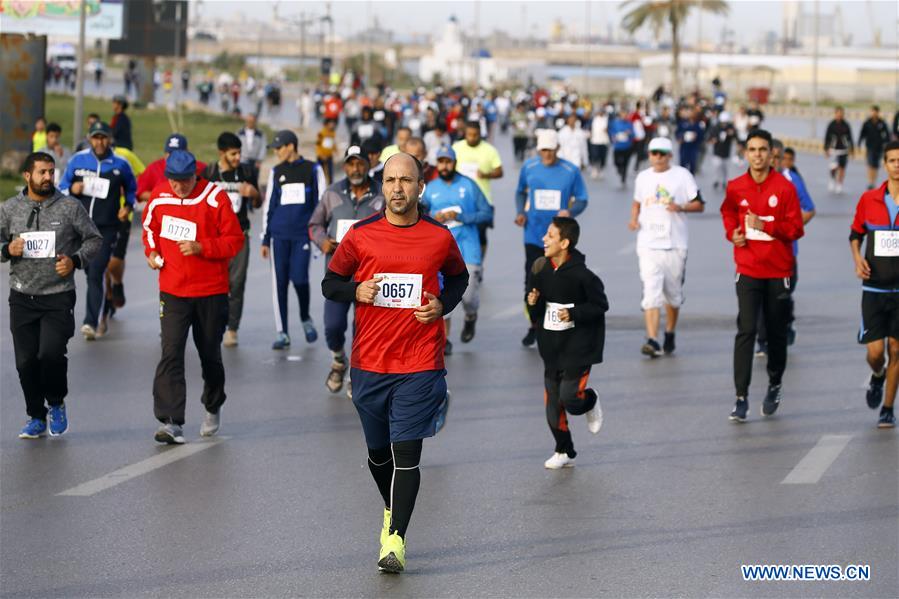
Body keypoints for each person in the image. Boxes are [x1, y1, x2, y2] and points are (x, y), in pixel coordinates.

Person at [321, 152, 469, 573]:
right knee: (377, 454)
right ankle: (390, 507)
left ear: (421, 187)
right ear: (381, 186)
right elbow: (330, 283)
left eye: (406, 180)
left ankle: (396, 539)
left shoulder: (439, 237)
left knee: (406, 452)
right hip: (370, 362)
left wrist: (443, 306)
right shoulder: (361, 236)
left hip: (420, 361)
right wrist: (357, 292)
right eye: (390, 181)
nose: (398, 188)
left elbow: (458, 277)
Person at [142, 150, 244, 444]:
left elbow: (234, 240)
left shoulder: (214, 197)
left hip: (210, 291)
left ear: (195, 176)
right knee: (170, 352)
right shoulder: (160, 196)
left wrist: (202, 247)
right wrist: (152, 252)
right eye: (174, 181)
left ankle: (213, 403)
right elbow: (150, 229)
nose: (179, 187)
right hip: (173, 290)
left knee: (209, 354)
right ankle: (171, 421)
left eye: (185, 181)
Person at [1, 152, 102, 439]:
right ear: (27, 176)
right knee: (25, 362)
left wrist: (75, 261)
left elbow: (94, 239)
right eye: (42, 172)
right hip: (22, 296)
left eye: (51, 172)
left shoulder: (69, 207)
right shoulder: (9, 209)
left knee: (51, 354)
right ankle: (35, 415)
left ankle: (56, 402)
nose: (48, 177)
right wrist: (7, 250)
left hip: (58, 296)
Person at [720, 129, 804, 422]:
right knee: (746, 329)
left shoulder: (784, 188)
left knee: (776, 331)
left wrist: (766, 227)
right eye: (752, 149)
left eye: (762, 149)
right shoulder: (736, 186)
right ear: (746, 153)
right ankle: (740, 397)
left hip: (778, 270)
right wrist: (733, 232)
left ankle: (775, 383)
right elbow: (728, 213)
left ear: (771, 155)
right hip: (748, 269)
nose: (757, 154)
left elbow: (796, 229)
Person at [526, 217, 607, 469]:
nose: (544, 239)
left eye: (550, 235)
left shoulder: (584, 276)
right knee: (552, 404)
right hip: (551, 348)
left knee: (570, 398)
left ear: (564, 242)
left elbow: (600, 305)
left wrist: (573, 313)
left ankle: (590, 400)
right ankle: (564, 450)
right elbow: (536, 311)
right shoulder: (540, 268)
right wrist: (533, 302)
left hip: (578, 348)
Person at [309, 145, 384, 395]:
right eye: (351, 164)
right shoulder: (332, 193)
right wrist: (323, 241)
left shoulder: (381, 193)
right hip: (339, 272)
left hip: (369, 272)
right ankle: (339, 359)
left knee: (362, 328)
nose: (356, 169)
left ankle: (357, 374)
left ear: (368, 164)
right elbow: (314, 224)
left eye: (360, 163)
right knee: (333, 325)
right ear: (345, 166)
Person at [58, 122, 136, 340]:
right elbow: (61, 187)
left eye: (103, 138)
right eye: (95, 138)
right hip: (76, 228)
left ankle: (91, 322)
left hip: (105, 228)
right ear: (89, 138)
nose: (99, 142)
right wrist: (71, 189)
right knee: (70, 270)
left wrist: (128, 207)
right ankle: (60, 317)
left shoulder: (121, 163)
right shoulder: (78, 160)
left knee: (96, 273)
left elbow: (131, 188)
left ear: (110, 138)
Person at [628, 137, 704, 357]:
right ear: (649, 155)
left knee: (673, 295)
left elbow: (699, 204)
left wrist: (680, 206)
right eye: (654, 153)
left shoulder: (682, 176)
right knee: (651, 290)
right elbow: (636, 203)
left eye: (662, 153)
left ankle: (669, 331)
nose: (658, 157)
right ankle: (652, 339)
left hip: (675, 244)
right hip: (648, 243)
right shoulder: (642, 177)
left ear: (670, 155)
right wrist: (633, 220)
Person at [516, 129, 589, 347]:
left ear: (557, 148)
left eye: (550, 150)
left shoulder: (570, 170)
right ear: (538, 149)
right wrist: (520, 212)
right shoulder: (529, 167)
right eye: (543, 150)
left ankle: (560, 322)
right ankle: (533, 325)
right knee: (532, 279)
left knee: (560, 280)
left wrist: (571, 212)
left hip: (560, 238)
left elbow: (583, 199)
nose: (547, 154)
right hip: (533, 233)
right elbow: (520, 192)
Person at [422, 146, 494, 354]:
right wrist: (433, 219)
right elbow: (419, 215)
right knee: (442, 295)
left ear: (455, 162)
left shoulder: (469, 185)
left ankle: (471, 316)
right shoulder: (431, 188)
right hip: (440, 252)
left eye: (448, 162)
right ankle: (444, 340)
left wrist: (461, 217)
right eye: (441, 162)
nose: (445, 166)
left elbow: (486, 213)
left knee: (469, 295)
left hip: (467, 249)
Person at [850, 140, 899, 428]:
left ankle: (888, 407)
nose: (898, 165)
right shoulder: (869, 199)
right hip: (874, 288)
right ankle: (877, 376)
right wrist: (858, 259)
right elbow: (855, 234)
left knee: (896, 349)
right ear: (885, 164)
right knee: (876, 353)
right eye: (893, 160)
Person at [261, 130, 324, 349]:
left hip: (301, 236)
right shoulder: (276, 171)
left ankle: (305, 318)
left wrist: (319, 237)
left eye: (278, 147)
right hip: (279, 236)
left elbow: (321, 204)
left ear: (291, 146)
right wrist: (265, 238)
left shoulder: (313, 169)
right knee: (279, 284)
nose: (276, 152)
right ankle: (283, 332)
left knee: (299, 279)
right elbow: (270, 204)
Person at [755, 143, 816, 357]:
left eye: (777, 157)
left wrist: (791, 229)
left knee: (782, 296)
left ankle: (786, 322)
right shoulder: (753, 179)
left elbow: (809, 209)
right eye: (769, 156)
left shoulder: (791, 180)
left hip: (787, 252)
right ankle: (763, 341)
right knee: (762, 296)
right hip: (760, 252)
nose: (773, 161)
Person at [203, 132, 261, 347]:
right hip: (214, 238)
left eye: (239, 153)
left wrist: (254, 193)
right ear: (221, 153)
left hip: (239, 236)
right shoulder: (209, 173)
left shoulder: (246, 171)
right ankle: (214, 323)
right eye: (233, 154)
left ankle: (232, 328)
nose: (237, 157)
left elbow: (257, 204)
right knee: (215, 284)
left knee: (236, 284)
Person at [452, 120, 503, 257]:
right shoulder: (456, 148)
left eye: (475, 135)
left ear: (480, 134)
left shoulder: (489, 150)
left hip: (482, 200)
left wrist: (486, 174)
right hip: (460, 199)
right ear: (465, 134)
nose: (472, 138)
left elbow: (499, 171)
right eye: (469, 134)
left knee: (481, 235)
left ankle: (479, 264)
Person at [136, 134, 207, 204]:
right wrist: (165, 198)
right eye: (170, 153)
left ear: (187, 152)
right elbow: (140, 192)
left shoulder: (200, 167)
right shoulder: (154, 167)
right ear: (165, 153)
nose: (174, 157)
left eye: (178, 153)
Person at [858, 105, 892, 190]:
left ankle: (873, 182)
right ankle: (870, 182)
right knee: (870, 164)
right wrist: (859, 144)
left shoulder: (882, 123)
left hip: (879, 147)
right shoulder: (867, 122)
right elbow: (862, 134)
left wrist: (887, 145)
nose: (874, 113)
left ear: (878, 112)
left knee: (875, 165)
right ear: (871, 112)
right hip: (869, 146)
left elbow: (887, 135)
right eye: (873, 111)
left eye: (876, 112)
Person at [824, 106, 854, 194]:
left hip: (844, 150)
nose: (840, 115)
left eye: (841, 113)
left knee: (842, 168)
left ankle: (839, 184)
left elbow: (850, 137)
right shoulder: (831, 124)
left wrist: (852, 149)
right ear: (835, 114)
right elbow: (827, 137)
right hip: (833, 150)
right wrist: (826, 148)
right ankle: (832, 179)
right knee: (833, 167)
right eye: (838, 113)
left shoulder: (846, 125)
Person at [707, 111, 736, 189]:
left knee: (725, 168)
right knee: (717, 167)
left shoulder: (730, 127)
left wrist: (731, 133)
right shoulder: (715, 127)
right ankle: (716, 180)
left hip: (726, 152)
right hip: (717, 151)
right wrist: (714, 140)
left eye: (725, 122)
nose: (724, 124)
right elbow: (709, 138)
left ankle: (724, 181)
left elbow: (735, 135)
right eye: (723, 122)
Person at [609, 107, 635, 188]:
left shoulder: (629, 123)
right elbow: (611, 131)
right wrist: (613, 136)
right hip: (618, 146)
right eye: (622, 114)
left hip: (627, 146)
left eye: (625, 114)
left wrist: (629, 133)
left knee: (626, 164)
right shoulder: (615, 123)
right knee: (616, 162)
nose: (624, 116)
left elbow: (633, 134)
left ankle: (623, 178)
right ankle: (619, 169)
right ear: (620, 115)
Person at [676, 106, 705, 175]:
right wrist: (680, 138)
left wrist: (696, 137)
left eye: (692, 112)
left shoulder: (698, 124)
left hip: (693, 148)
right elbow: (677, 132)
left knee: (692, 165)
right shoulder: (682, 123)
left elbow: (701, 136)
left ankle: (691, 180)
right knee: (682, 165)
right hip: (684, 147)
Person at [588, 106, 610, 179]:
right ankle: (594, 169)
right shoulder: (593, 119)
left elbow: (609, 129)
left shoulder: (606, 119)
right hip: (595, 141)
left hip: (603, 141)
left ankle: (600, 169)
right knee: (595, 156)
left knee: (602, 157)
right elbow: (589, 127)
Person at [315, 118, 338, 184]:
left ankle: (330, 185)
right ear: (327, 124)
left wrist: (336, 151)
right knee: (320, 172)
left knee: (330, 173)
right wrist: (320, 154)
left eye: (333, 124)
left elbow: (333, 143)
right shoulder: (321, 133)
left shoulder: (333, 133)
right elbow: (318, 145)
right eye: (331, 124)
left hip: (329, 156)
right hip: (321, 156)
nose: (332, 125)